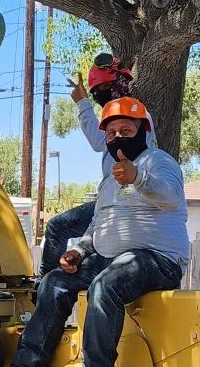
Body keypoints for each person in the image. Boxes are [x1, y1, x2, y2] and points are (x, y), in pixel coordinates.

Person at [0, 97, 189, 367]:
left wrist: (138, 177)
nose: (118, 137)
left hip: (157, 259)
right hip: (111, 258)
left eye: (126, 129)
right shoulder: (111, 179)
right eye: (111, 133)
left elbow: (171, 197)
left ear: (144, 131)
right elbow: (99, 225)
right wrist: (80, 251)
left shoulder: (158, 162)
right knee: (54, 281)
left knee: (104, 285)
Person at [39, 53, 152, 277]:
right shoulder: (129, 112)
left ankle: (44, 286)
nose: (102, 94)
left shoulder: (133, 112)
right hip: (117, 198)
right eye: (97, 91)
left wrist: (82, 102)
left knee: (57, 228)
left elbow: (97, 141)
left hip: (125, 200)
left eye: (107, 86)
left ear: (122, 81)